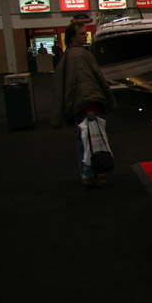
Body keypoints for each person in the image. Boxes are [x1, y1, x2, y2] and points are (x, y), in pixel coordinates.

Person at [51, 22, 117, 187]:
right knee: (91, 141)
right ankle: (94, 172)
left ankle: (88, 173)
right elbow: (85, 83)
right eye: (81, 33)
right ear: (73, 36)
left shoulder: (69, 55)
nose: (85, 36)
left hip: (78, 105)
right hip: (87, 106)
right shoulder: (80, 55)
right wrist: (90, 107)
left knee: (85, 140)